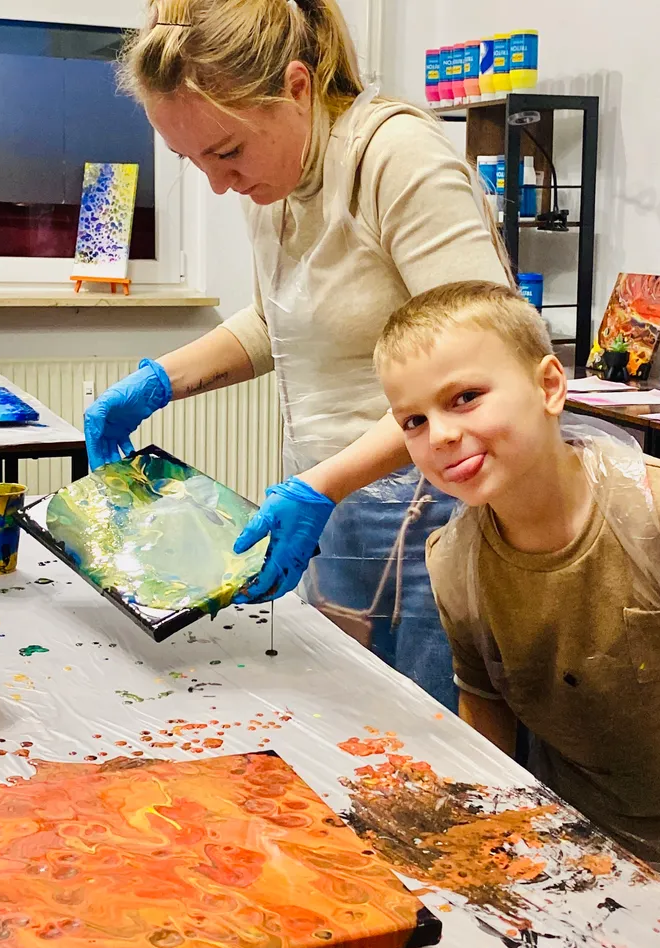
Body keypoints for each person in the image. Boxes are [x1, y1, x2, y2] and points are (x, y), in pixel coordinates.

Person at [374, 279, 660, 948]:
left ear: (549, 387)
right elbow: (484, 703)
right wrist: (482, 835)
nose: (442, 435)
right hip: (609, 855)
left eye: (465, 397)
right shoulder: (456, 566)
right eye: (414, 421)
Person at [83, 0, 511, 709]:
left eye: (227, 152)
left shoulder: (395, 158)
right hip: (337, 499)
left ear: (297, 87)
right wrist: (158, 381)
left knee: (426, 734)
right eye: (194, 160)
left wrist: (324, 484)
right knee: (348, 715)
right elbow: (279, 322)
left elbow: (481, 367)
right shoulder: (273, 183)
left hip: (437, 510)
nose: (218, 183)